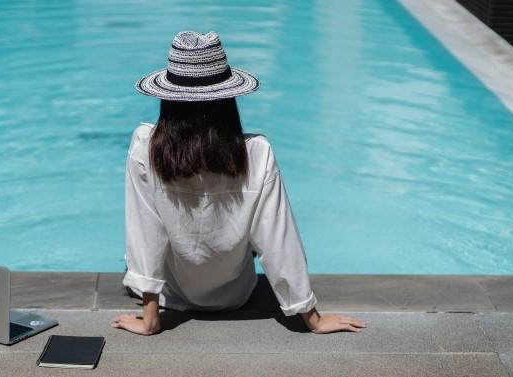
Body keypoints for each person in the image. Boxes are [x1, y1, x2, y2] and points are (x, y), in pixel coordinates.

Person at [111, 31, 366, 336]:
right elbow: (277, 240)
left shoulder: (145, 148)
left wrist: (150, 320)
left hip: (171, 297)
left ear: (168, 99)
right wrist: (311, 317)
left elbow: (144, 233)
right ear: (228, 99)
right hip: (235, 295)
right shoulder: (257, 153)